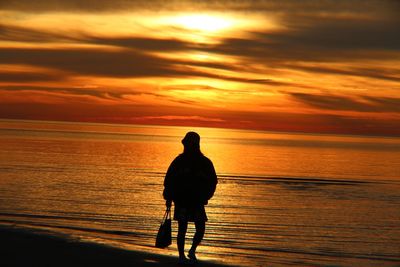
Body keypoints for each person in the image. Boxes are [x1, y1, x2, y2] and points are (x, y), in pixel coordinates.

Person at [163, 131, 218, 264]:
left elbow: (213, 181)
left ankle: (192, 250)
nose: (186, 146)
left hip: (196, 200)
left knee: (200, 228)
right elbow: (169, 180)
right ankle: (182, 255)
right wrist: (169, 198)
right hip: (182, 200)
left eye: (188, 144)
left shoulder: (204, 162)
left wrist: (206, 196)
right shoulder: (179, 161)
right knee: (183, 228)